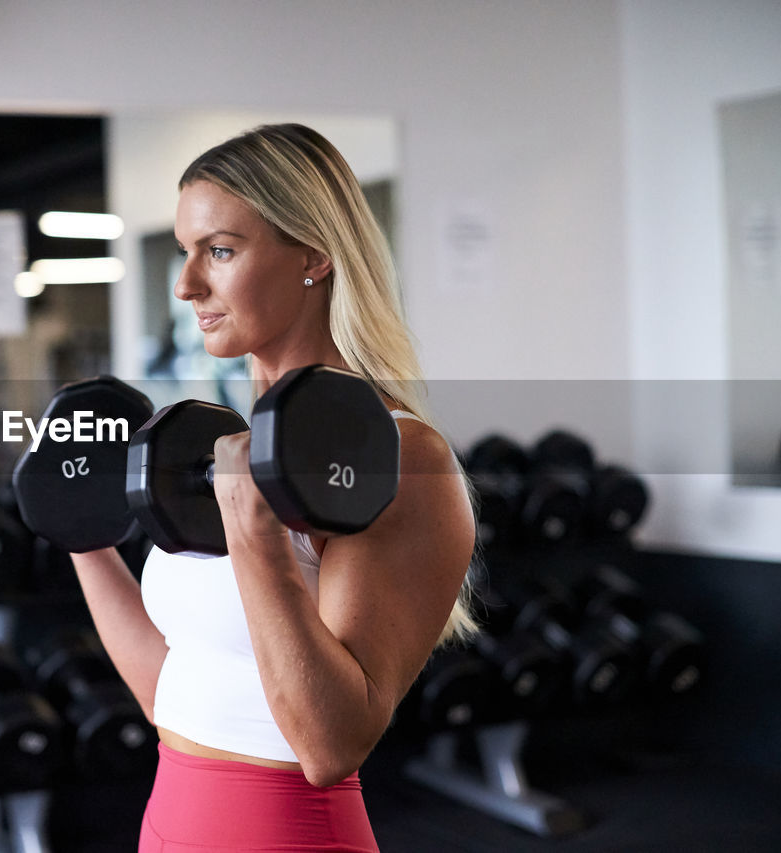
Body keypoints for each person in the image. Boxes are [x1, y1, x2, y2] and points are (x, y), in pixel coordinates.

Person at [69, 124, 479, 852]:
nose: (187, 284)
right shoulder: (222, 444)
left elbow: (331, 745)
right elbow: (172, 690)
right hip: (168, 821)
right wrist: (83, 535)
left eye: (220, 250)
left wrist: (256, 536)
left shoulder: (401, 456)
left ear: (314, 255)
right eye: (185, 251)